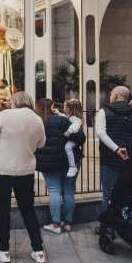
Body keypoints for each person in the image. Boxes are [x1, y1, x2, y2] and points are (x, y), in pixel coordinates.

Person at [0, 92, 46, 263]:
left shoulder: (6, 115)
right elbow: (41, 143)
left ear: (15, 102)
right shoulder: (37, 119)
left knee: (3, 209)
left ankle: (4, 251)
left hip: (3, 169)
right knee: (28, 209)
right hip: (25, 170)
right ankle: (38, 251)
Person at [96, 86, 132, 235]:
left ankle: (107, 228)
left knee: (108, 194)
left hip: (110, 160)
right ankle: (126, 226)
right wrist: (131, 151)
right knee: (128, 195)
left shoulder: (104, 112)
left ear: (114, 96)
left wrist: (116, 149)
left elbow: (101, 133)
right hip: (131, 163)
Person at [34, 98, 85, 234]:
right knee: (68, 191)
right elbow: (81, 137)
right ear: (50, 107)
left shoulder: (36, 122)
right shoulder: (62, 120)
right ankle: (68, 223)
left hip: (48, 162)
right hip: (69, 161)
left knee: (54, 190)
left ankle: (56, 224)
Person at [60, 99, 83, 177]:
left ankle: (73, 167)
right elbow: (64, 118)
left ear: (69, 109)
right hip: (71, 139)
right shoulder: (68, 117)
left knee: (68, 147)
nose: (63, 109)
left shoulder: (76, 119)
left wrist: (69, 131)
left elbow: (75, 126)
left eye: (65, 107)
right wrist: (58, 113)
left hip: (74, 140)